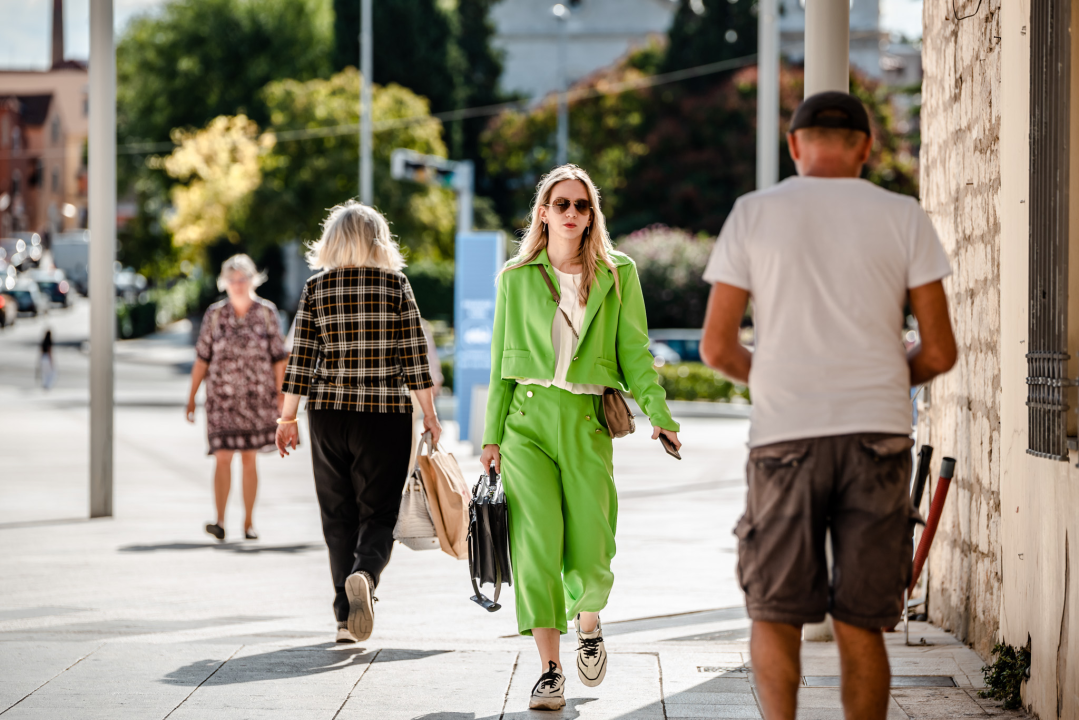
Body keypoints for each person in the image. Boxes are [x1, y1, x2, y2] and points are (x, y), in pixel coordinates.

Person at [699, 92, 957, 720]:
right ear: (866, 147)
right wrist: (880, 381)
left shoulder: (753, 212)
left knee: (776, 612)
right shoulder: (903, 215)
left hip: (786, 434)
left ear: (794, 145)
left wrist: (778, 380)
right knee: (862, 621)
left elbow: (716, 347)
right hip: (879, 436)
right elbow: (939, 349)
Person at [479, 165, 681, 710]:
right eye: (561, 204)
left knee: (593, 552)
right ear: (543, 213)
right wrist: (492, 436)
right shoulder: (516, 277)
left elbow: (634, 350)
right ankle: (550, 671)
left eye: (581, 205)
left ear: (593, 215)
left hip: (587, 421)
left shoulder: (618, 273)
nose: (571, 213)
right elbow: (500, 363)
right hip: (525, 424)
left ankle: (588, 622)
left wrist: (659, 412)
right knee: (536, 545)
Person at [275, 200, 441, 645]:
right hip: (385, 416)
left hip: (328, 415)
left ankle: (344, 619)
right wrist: (429, 414)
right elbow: (415, 358)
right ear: (379, 240)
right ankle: (365, 574)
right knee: (380, 512)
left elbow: (300, 360)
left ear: (332, 241)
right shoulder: (396, 285)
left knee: (337, 515)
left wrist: (287, 417)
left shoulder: (316, 287)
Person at [186, 254, 288, 542]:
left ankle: (248, 523)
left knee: (249, 459)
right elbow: (202, 358)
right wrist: (191, 397)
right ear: (224, 283)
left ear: (252, 280)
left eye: (242, 279)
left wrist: (282, 396)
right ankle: (219, 522)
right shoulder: (214, 314)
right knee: (221, 457)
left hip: (257, 399)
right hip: (221, 400)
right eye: (232, 280)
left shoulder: (267, 312)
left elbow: (279, 358)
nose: (237, 284)